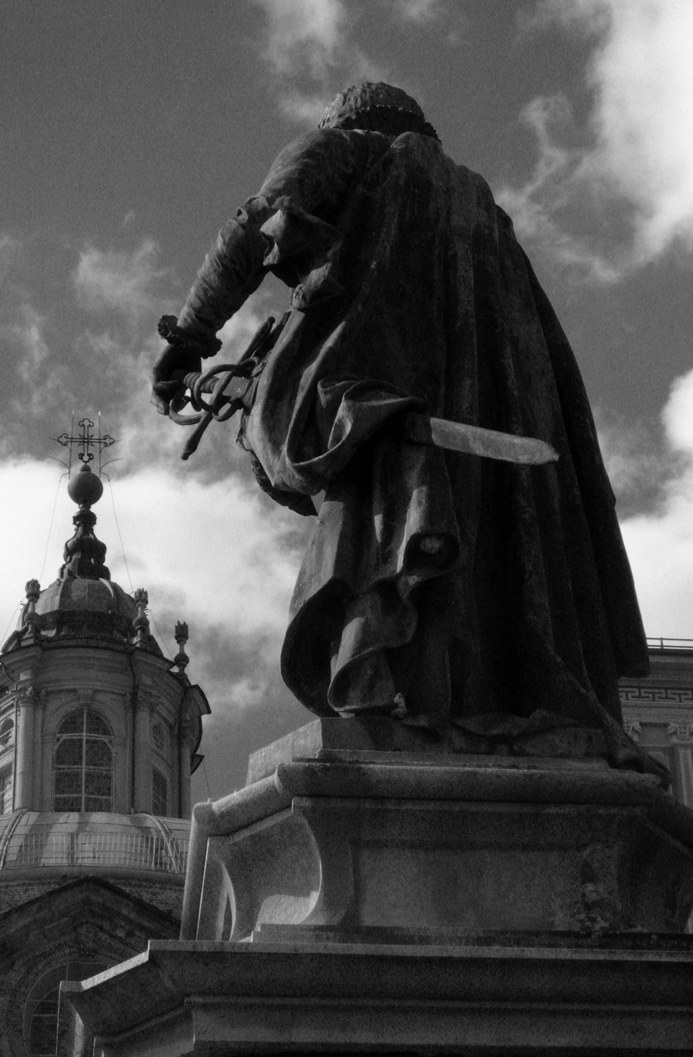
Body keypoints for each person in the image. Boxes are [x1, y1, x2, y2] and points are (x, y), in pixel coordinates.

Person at [152, 83, 655, 769]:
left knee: (380, 525)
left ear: (352, 122)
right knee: (483, 553)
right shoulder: (482, 209)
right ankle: (470, 697)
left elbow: (259, 227)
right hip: (495, 422)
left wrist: (188, 337)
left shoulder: (346, 150)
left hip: (378, 400)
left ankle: (382, 683)